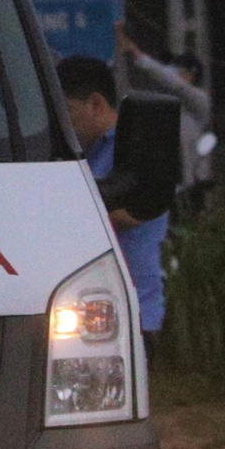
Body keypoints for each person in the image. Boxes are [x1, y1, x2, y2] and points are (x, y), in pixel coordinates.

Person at [58, 55, 169, 360]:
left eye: (67, 112)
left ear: (95, 104)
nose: (63, 125)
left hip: (133, 311)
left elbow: (128, 215)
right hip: (91, 312)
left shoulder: (137, 149)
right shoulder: (87, 152)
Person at [117, 22, 214, 213]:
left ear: (190, 74)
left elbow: (175, 84)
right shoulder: (168, 104)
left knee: (193, 216)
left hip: (193, 181)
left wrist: (138, 56)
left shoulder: (199, 99)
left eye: (178, 70)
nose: (172, 73)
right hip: (171, 181)